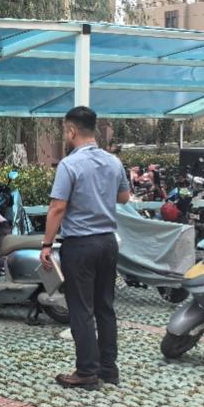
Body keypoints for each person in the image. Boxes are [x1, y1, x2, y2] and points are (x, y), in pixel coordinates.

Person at [40, 106, 131, 390]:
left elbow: (57, 207)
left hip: (80, 244)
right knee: (105, 306)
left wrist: (46, 244)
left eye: (64, 131)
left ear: (71, 130)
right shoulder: (113, 162)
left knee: (81, 309)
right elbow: (124, 197)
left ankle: (86, 371)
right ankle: (108, 368)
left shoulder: (70, 165)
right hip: (108, 242)